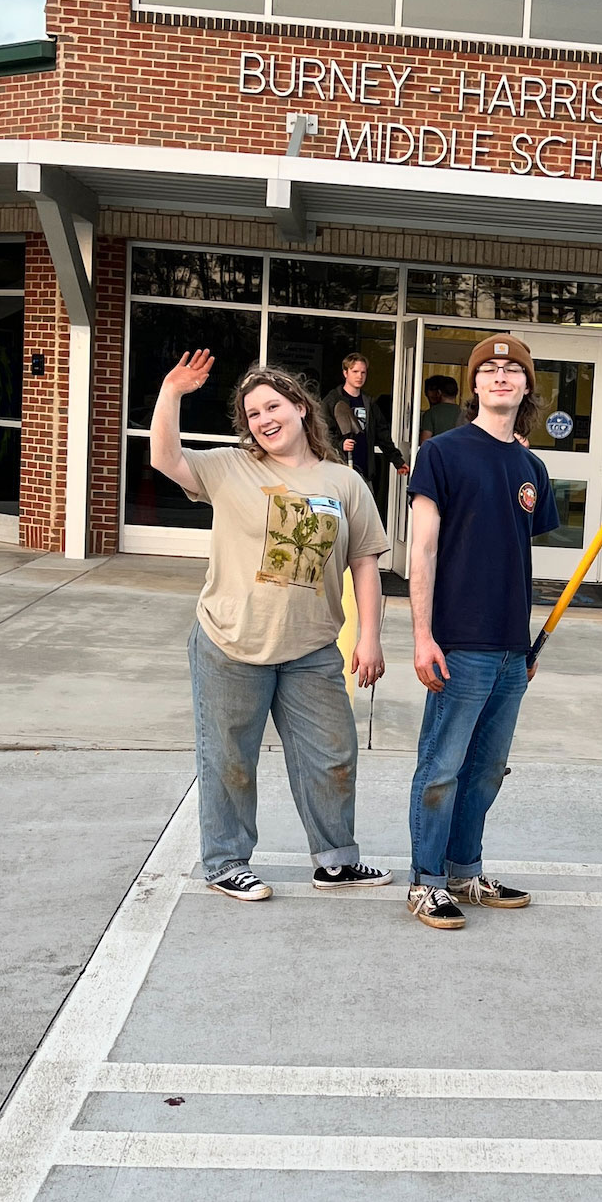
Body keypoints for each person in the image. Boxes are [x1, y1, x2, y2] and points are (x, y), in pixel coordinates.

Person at [150, 351, 394, 901]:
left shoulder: (344, 482)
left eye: (273, 405)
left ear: (302, 408)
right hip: (230, 642)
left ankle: (335, 860)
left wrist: (371, 637)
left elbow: (365, 563)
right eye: (252, 412)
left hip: (311, 648)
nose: (263, 418)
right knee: (230, 758)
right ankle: (226, 862)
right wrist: (172, 392)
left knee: (333, 754)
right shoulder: (230, 467)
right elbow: (166, 458)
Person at [403, 334, 558, 930]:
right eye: (489, 369)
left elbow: (519, 555)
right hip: (457, 643)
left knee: (486, 770)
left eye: (512, 370)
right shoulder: (441, 453)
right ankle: (426, 882)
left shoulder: (530, 467)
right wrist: (423, 635)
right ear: (473, 384)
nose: (500, 377)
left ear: (526, 386)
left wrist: (522, 649)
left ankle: (465, 873)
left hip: (509, 649)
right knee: (441, 766)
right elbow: (423, 547)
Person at [322, 353, 407, 501]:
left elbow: (382, 434)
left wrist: (397, 460)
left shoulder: (369, 403)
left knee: (364, 516)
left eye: (363, 372)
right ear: (345, 373)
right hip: (338, 470)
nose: (359, 376)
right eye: (355, 372)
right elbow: (323, 432)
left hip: (365, 471)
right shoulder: (332, 400)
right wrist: (340, 444)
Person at [418, 375, 463, 443]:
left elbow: (424, 442)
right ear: (457, 393)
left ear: (439, 392)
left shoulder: (431, 413)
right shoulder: (464, 414)